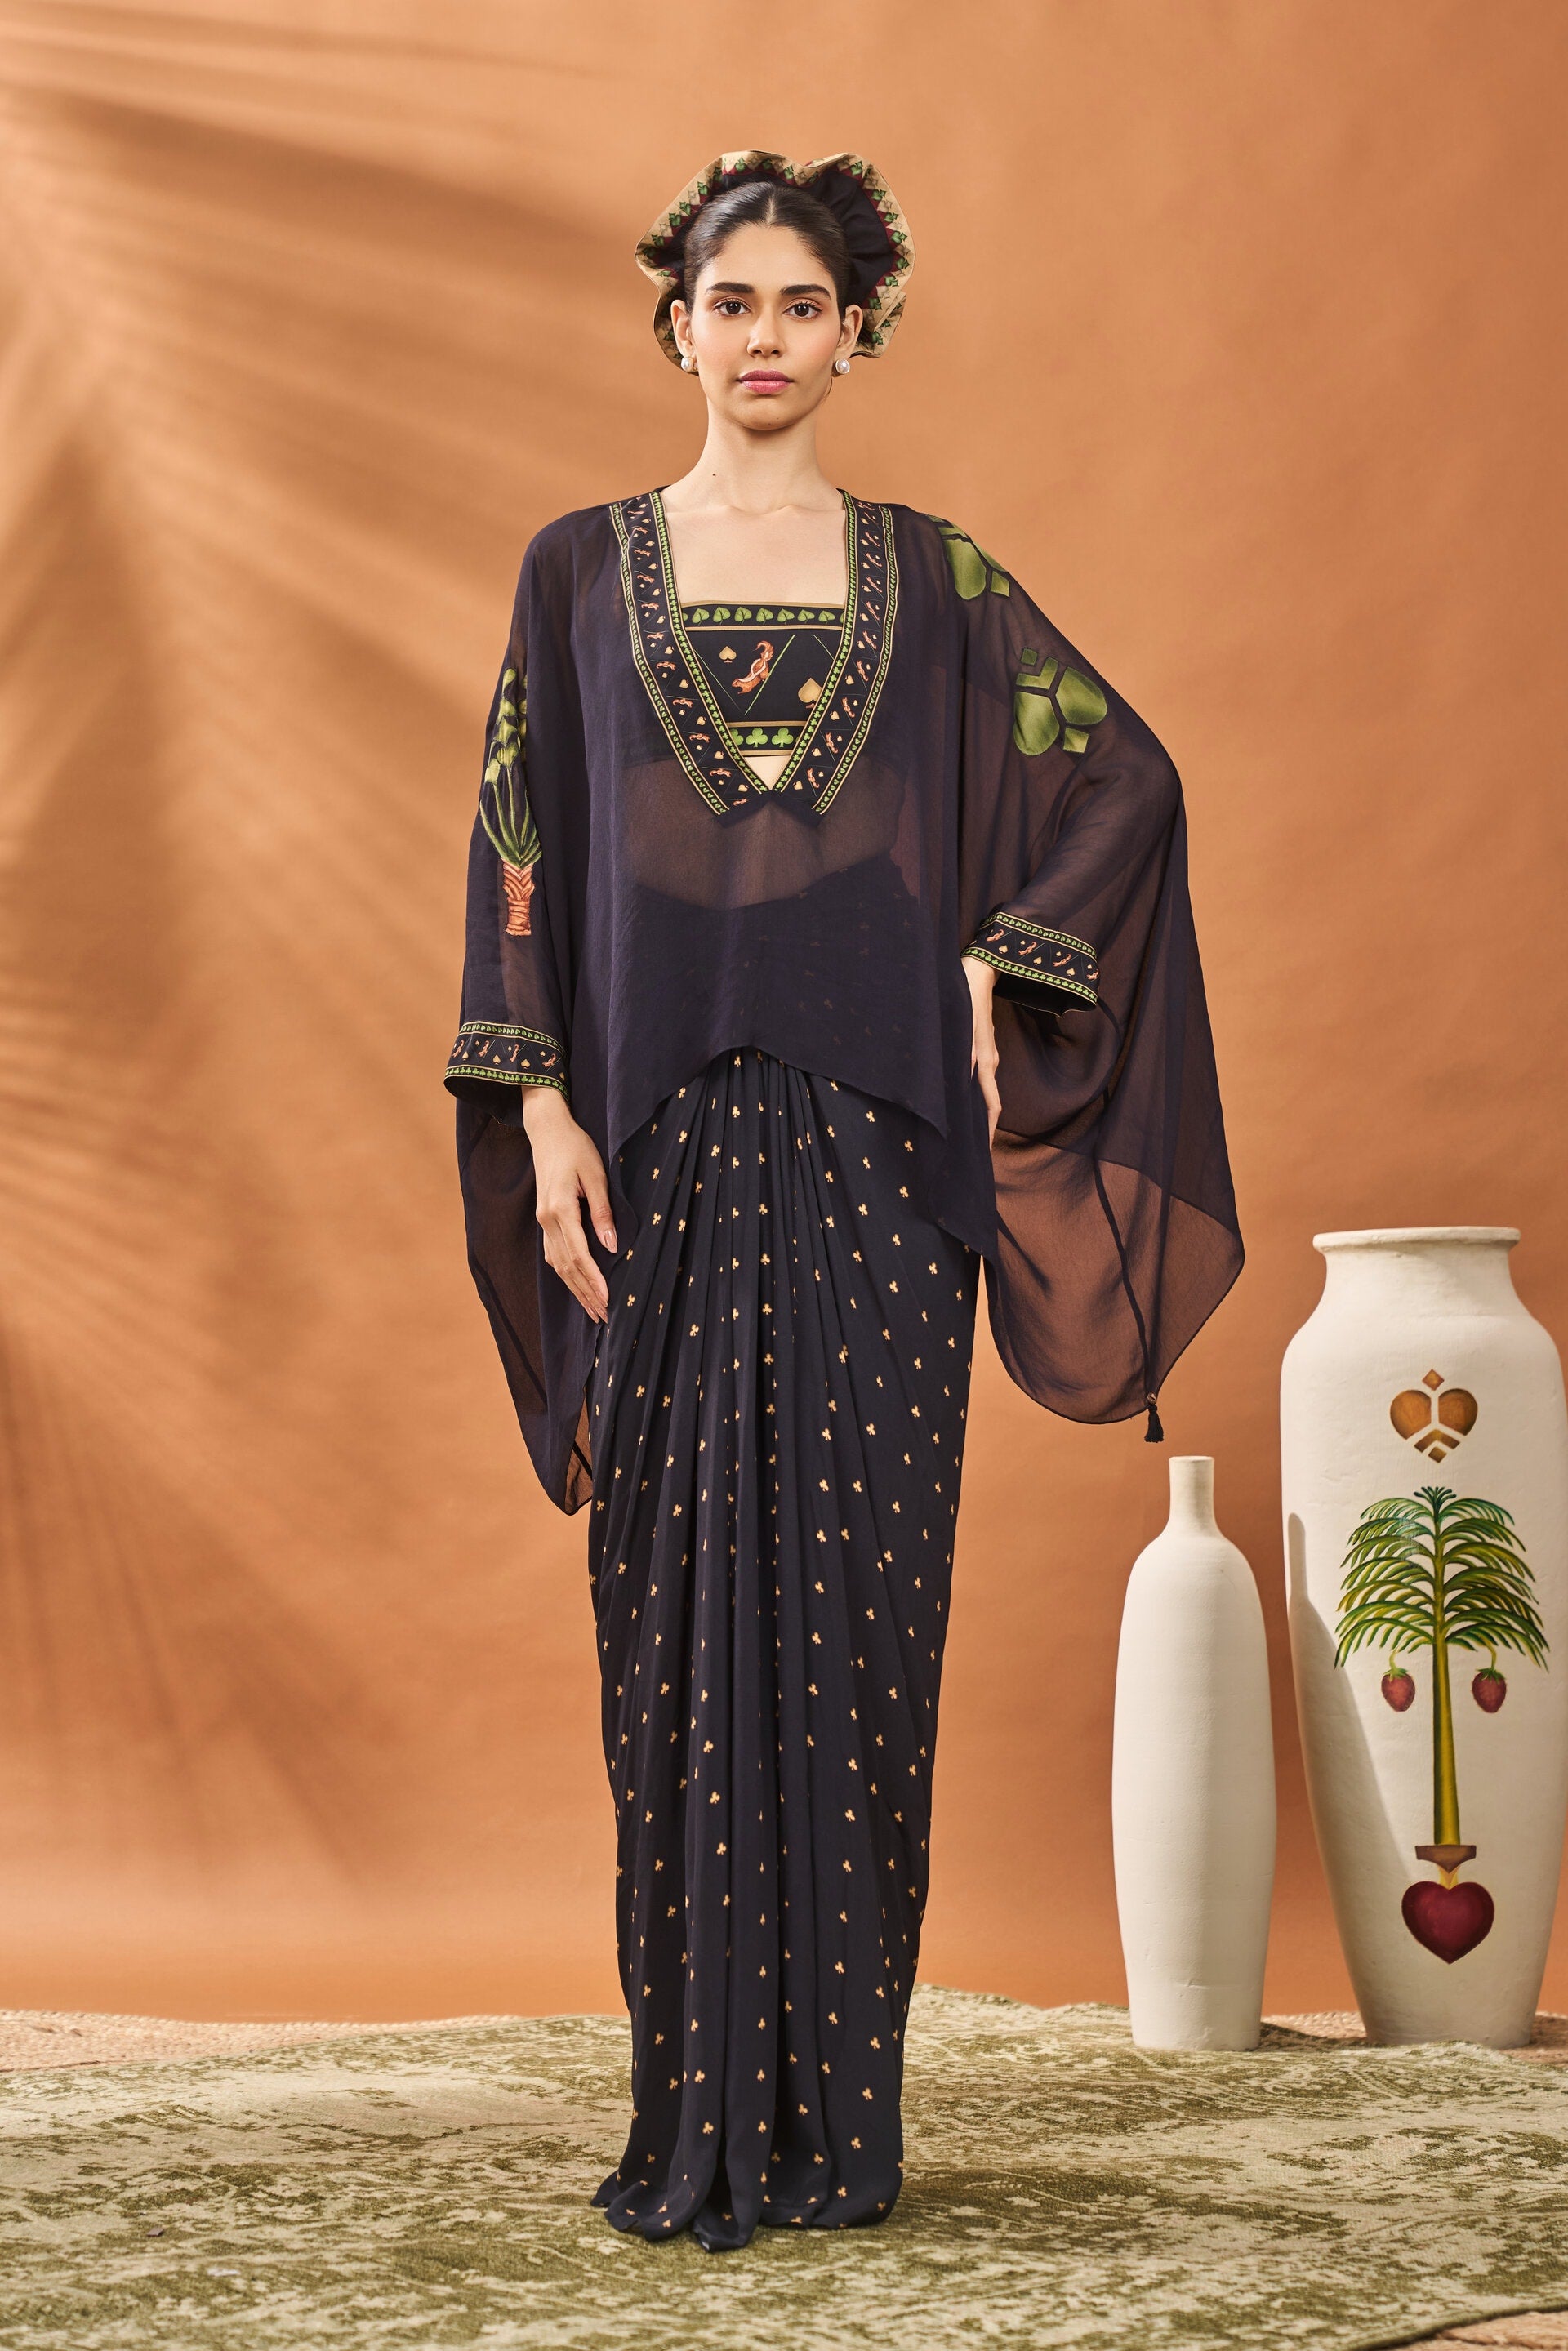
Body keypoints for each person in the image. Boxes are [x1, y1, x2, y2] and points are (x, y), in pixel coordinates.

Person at [445, 149, 1242, 2251]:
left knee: (866, 1635)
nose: (769, 337)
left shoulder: (939, 579)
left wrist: (997, 956)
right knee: (670, 1639)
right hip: (659, 1157)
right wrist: (539, 1107)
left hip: (885, 1167)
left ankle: (842, 2129)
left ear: (857, 331)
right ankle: (696, 2110)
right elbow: (519, 850)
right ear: (677, 325)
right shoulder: (577, 574)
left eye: (807, 302)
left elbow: (1125, 779)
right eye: (736, 301)